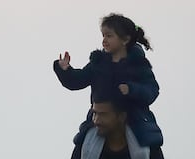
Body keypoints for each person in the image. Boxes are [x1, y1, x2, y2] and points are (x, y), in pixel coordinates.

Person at [54, 13, 162, 147]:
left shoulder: (138, 64)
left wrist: (131, 89)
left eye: (109, 36)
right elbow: (78, 81)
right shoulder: (98, 63)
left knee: (143, 150)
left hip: (133, 118)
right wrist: (65, 70)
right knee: (83, 146)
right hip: (99, 118)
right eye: (103, 35)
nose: (104, 40)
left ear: (125, 39)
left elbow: (152, 90)